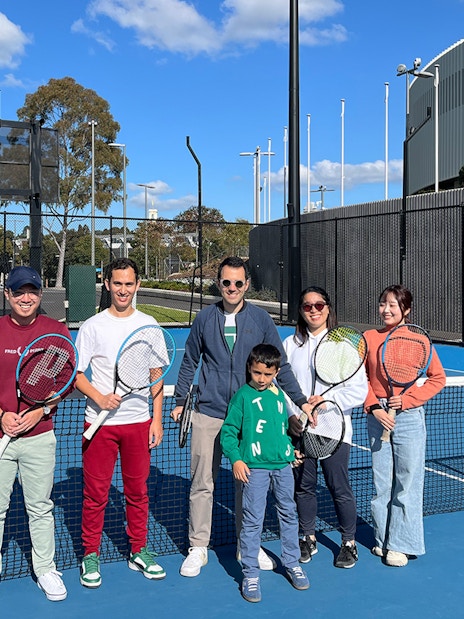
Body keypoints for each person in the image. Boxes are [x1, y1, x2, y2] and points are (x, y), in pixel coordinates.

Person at [171, 256, 312, 578]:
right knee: (202, 483)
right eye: (226, 283)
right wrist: (181, 401)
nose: (232, 288)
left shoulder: (261, 319)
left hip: (250, 418)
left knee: (245, 485)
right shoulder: (205, 318)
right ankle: (198, 547)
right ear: (218, 284)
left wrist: (301, 401)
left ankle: (245, 545)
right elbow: (191, 361)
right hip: (208, 412)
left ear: (247, 285)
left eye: (238, 283)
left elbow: (281, 366)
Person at [75, 257, 166, 588]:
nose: (123, 289)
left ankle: (138, 550)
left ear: (137, 285)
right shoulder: (92, 326)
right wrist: (99, 397)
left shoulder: (150, 325)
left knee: (137, 492)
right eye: (117, 283)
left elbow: (156, 376)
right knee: (95, 494)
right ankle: (90, 554)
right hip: (98, 426)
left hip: (138, 423)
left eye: (129, 284)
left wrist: (156, 419)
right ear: (107, 285)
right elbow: (77, 375)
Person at [283, 286, 368, 569]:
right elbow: (280, 387)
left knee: (338, 487)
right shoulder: (289, 345)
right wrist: (291, 417)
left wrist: (327, 401)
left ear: (328, 309)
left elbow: (358, 391)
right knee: (303, 487)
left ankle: (348, 543)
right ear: (300, 310)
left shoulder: (343, 347)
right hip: (299, 430)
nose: (314, 310)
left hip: (334, 431)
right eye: (308, 306)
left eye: (319, 305)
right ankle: (307, 536)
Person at [0, 266, 71, 601]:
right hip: (1, 436)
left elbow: (65, 383)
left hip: (40, 436)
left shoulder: (56, 331)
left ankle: (46, 569)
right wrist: (2, 415)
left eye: (31, 291)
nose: (25, 298)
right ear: (7, 295)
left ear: (40, 295)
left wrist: (41, 410)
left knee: (40, 507)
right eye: (18, 292)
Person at [364, 285, 446, 567]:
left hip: (409, 417)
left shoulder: (419, 340)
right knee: (382, 482)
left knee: (407, 482)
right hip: (377, 418)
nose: (386, 310)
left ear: (406, 310)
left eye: (393, 306)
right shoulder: (368, 338)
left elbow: (437, 378)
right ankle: (382, 539)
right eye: (382, 303)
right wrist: (375, 407)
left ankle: (400, 544)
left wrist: (408, 401)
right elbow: (359, 379)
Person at [221, 344, 310, 602]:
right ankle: (250, 573)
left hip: (282, 467)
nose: (261, 379)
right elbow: (228, 433)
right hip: (255, 469)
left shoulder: (280, 396)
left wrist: (289, 450)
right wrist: (237, 460)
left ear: (276, 372)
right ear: (250, 368)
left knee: (288, 515)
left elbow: (280, 429)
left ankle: (292, 563)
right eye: (257, 373)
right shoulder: (242, 397)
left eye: (267, 374)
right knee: (252, 520)